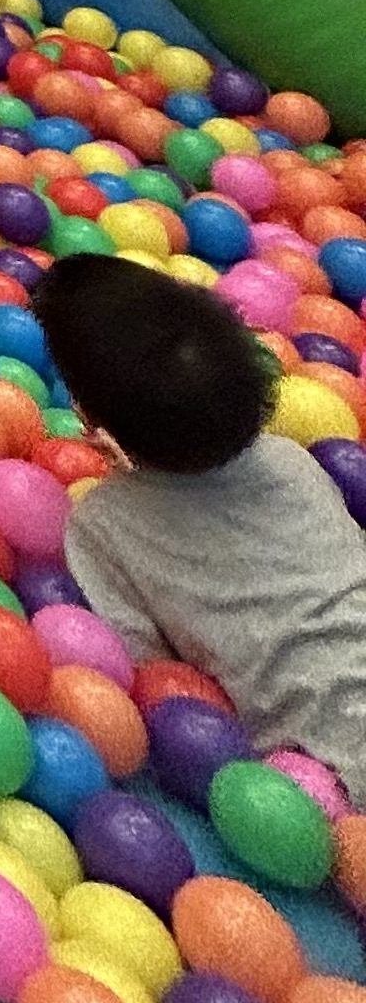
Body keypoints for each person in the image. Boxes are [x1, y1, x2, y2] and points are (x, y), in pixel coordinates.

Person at [39, 250, 366, 799]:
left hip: (335, 773)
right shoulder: (291, 461)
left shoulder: (103, 525)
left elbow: (151, 676)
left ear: (92, 417)